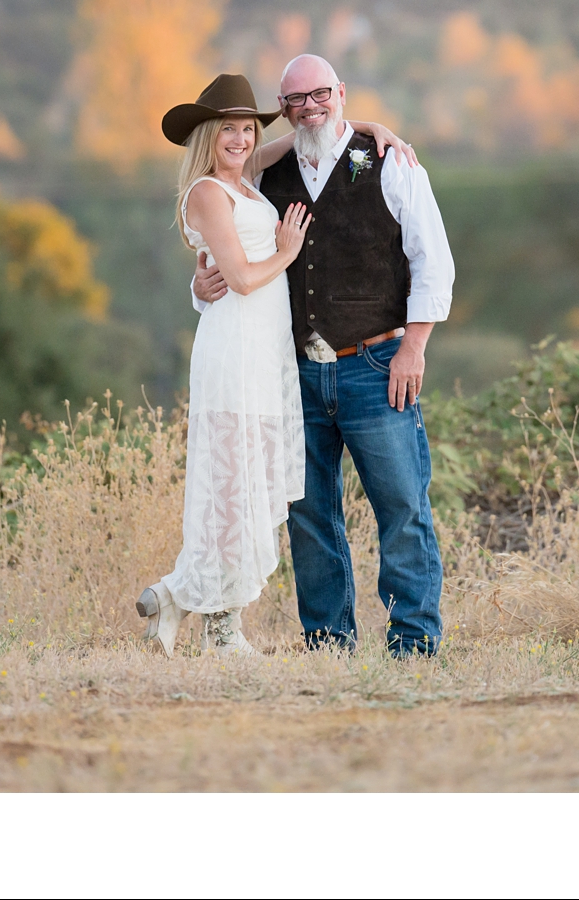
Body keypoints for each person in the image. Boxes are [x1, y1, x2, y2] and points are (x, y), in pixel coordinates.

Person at [138, 73, 414, 656]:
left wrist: (365, 125)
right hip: (235, 352)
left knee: (252, 486)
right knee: (234, 484)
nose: (240, 140)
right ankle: (215, 625)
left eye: (246, 128)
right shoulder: (210, 192)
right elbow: (238, 278)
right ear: (207, 136)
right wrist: (286, 252)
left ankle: (177, 600)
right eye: (227, 130)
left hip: (267, 354)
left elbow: (305, 134)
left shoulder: (243, 180)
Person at [193, 54, 454, 656]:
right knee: (310, 517)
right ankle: (328, 642)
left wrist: (414, 346)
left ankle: (413, 642)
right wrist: (198, 284)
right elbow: (223, 240)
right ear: (283, 111)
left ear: (341, 93)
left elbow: (432, 262)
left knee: (402, 507)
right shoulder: (261, 174)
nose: (309, 106)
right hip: (292, 373)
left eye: (319, 95)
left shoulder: (391, 164)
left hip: (376, 366)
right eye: (295, 100)